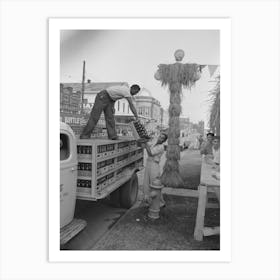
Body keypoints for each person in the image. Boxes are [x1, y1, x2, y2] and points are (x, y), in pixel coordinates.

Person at [141, 132, 168, 207]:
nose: (160, 138)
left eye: (162, 138)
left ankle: (161, 203)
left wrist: (145, 143)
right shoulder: (154, 143)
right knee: (146, 183)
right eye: (160, 136)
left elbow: (150, 153)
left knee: (154, 184)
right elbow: (144, 146)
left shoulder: (161, 147)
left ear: (164, 140)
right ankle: (148, 201)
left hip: (154, 165)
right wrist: (143, 141)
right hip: (148, 164)